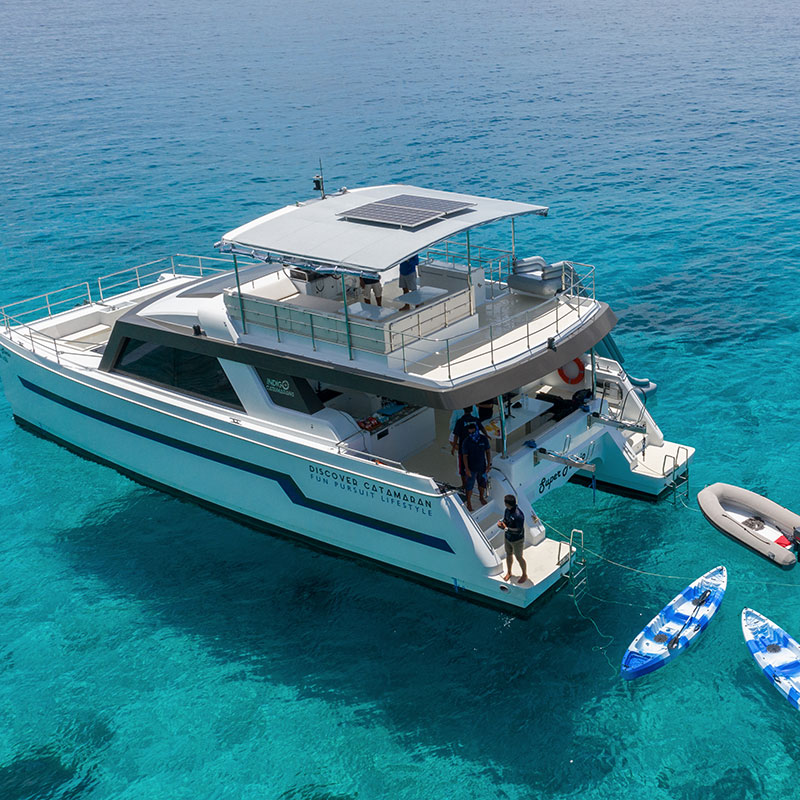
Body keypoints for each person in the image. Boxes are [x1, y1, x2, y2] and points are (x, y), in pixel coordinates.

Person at [460, 421, 491, 512]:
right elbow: (465, 456)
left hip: (482, 467)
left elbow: (488, 452)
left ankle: (481, 497)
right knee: (469, 486)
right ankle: (469, 503)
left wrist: (488, 465)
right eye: (470, 433)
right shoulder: (466, 442)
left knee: (482, 484)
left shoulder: (483, 439)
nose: (471, 434)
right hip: (471, 468)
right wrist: (467, 469)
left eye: (473, 432)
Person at [497, 494, 527, 584]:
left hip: (517, 540)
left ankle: (524, 574)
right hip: (508, 538)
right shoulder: (507, 510)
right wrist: (501, 523)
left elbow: (519, 530)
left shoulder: (518, 515)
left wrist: (505, 528)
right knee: (508, 554)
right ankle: (509, 572)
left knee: (519, 557)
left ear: (507, 503)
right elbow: (505, 520)